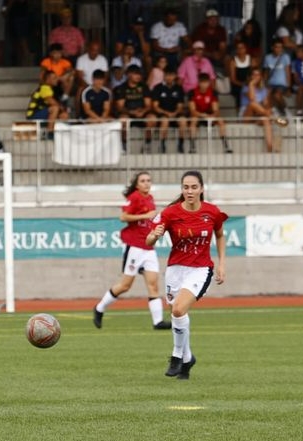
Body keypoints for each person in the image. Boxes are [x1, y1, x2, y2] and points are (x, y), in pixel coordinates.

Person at [146, 170, 228, 380]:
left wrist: (221, 264)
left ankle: (176, 356)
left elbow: (219, 235)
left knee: (179, 308)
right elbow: (148, 240)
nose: (189, 191)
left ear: (201, 189)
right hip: (175, 270)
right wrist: (153, 237)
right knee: (178, 314)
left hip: (200, 269)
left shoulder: (212, 212)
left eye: (193, 187)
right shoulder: (170, 213)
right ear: (181, 189)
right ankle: (188, 358)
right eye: (186, 187)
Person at [93, 171, 171, 331]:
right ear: (137, 184)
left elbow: (150, 219)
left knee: (153, 284)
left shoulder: (150, 198)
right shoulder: (135, 197)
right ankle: (99, 308)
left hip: (149, 247)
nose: (147, 183)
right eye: (143, 181)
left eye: (149, 180)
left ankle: (158, 322)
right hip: (135, 246)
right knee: (125, 285)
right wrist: (144, 215)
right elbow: (123, 217)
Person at [114, 65, 156, 153]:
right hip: (128, 113)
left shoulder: (144, 87)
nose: (139, 77)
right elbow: (120, 107)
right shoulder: (122, 88)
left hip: (142, 113)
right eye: (136, 74)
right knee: (123, 119)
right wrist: (131, 112)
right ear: (129, 75)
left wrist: (143, 111)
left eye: (140, 74)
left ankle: (147, 144)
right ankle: (124, 144)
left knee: (152, 118)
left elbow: (148, 105)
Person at [188, 72, 232, 154]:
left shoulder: (213, 92)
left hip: (209, 115)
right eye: (202, 82)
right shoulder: (192, 92)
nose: (204, 84)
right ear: (198, 82)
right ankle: (192, 146)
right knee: (193, 121)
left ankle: (226, 145)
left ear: (209, 82)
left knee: (221, 121)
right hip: (198, 115)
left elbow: (216, 109)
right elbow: (192, 110)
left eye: (206, 82)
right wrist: (202, 115)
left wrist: (211, 116)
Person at [239, 68, 277, 153]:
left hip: (258, 115)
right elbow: (252, 99)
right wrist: (251, 84)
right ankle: (272, 117)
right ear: (250, 76)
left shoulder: (263, 90)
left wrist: (268, 100)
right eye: (254, 75)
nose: (256, 77)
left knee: (266, 120)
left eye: (258, 75)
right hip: (247, 115)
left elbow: (266, 104)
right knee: (252, 104)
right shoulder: (246, 87)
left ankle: (270, 148)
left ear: (261, 77)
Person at [151, 67, 187, 154]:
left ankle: (181, 144)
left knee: (183, 120)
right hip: (162, 114)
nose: (169, 77)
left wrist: (175, 113)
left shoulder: (178, 88)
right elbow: (155, 106)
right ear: (164, 76)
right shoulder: (158, 88)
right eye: (167, 75)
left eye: (171, 75)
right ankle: (162, 144)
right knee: (165, 121)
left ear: (175, 76)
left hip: (175, 114)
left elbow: (180, 106)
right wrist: (166, 113)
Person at [26, 71, 67, 138]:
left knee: (64, 115)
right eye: (54, 78)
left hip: (43, 113)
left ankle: (61, 135)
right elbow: (52, 102)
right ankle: (49, 132)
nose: (57, 79)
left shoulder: (52, 89)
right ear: (48, 79)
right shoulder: (44, 88)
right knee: (55, 108)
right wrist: (62, 110)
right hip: (33, 115)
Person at [227, 41, 257, 108]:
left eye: (242, 48)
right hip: (238, 85)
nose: (240, 50)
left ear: (245, 49)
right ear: (236, 50)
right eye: (238, 48)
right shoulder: (233, 61)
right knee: (240, 92)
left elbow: (255, 73)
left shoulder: (251, 59)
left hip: (250, 83)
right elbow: (233, 79)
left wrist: (250, 83)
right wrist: (243, 84)